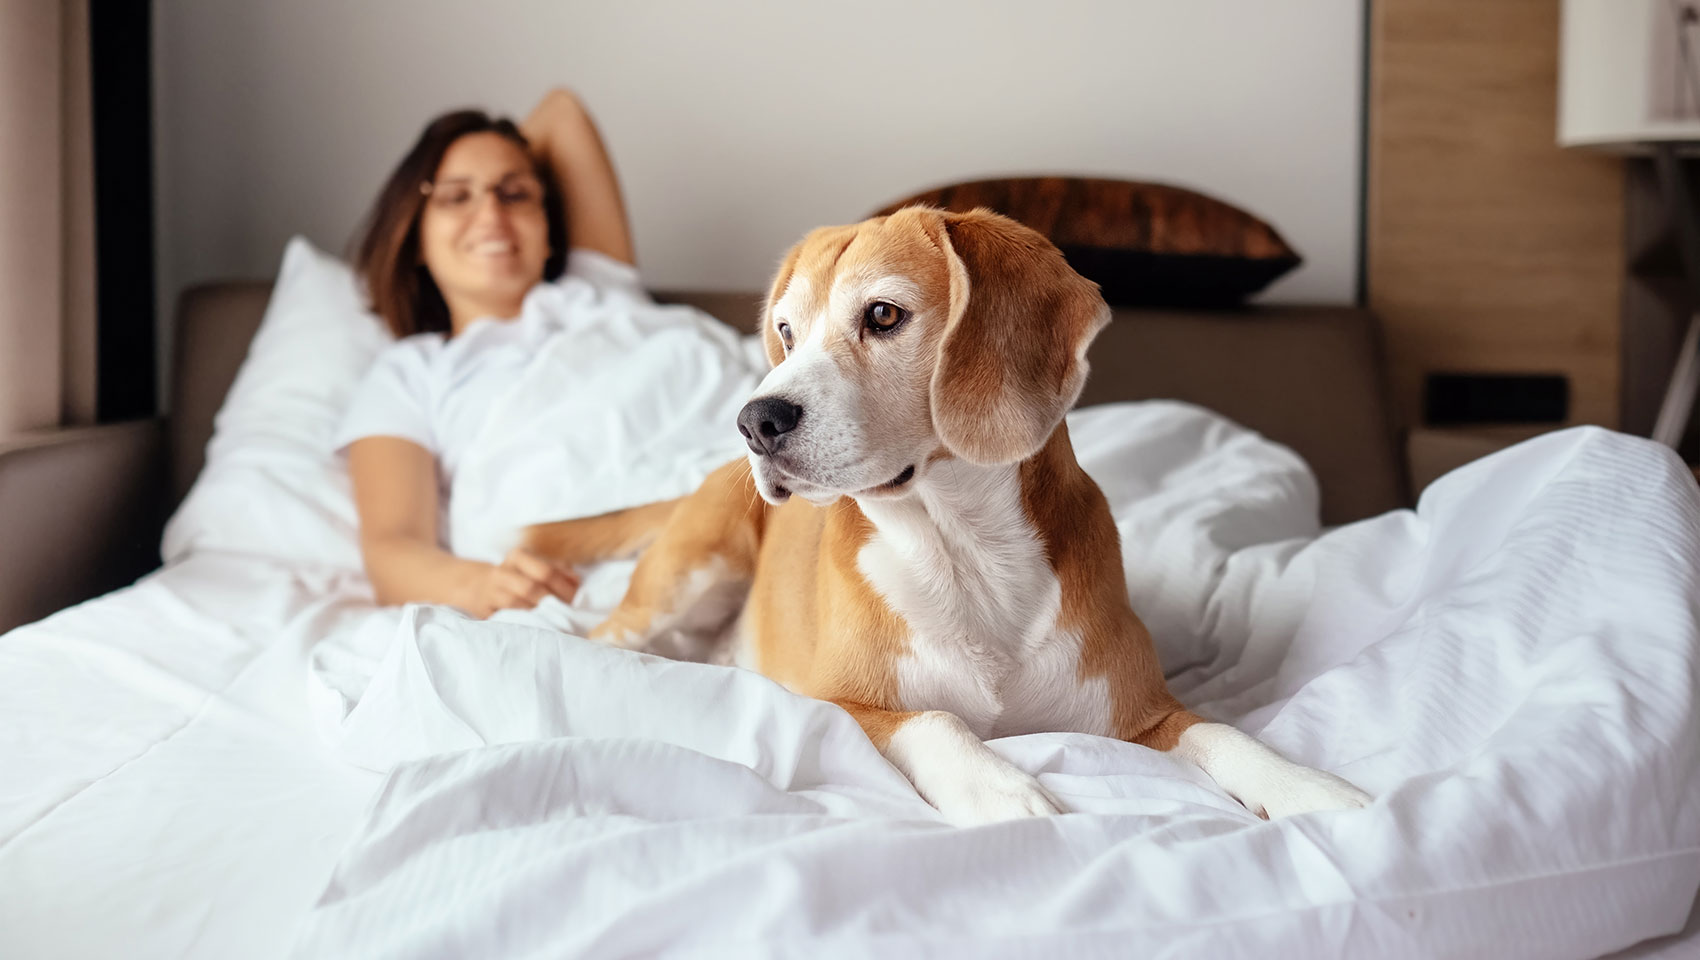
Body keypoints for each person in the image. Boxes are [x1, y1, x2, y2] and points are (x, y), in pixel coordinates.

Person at [336, 88, 636, 618]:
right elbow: (392, 548)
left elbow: (562, 111)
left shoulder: (601, 293)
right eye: (456, 198)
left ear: (549, 230)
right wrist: (485, 586)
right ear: (417, 237)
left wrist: (489, 157)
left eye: (514, 194)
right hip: (585, 575)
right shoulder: (411, 372)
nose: (491, 212)